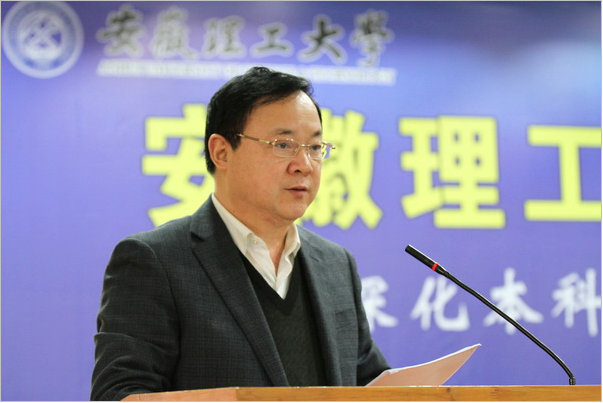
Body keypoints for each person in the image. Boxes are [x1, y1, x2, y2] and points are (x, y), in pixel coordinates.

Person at [91, 66, 390, 401]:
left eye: (315, 147)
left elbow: (370, 385)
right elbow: (120, 394)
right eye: (283, 144)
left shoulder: (335, 265)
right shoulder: (156, 261)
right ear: (221, 152)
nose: (304, 164)